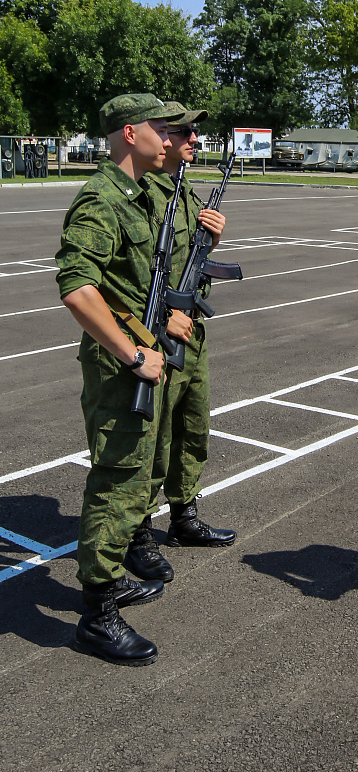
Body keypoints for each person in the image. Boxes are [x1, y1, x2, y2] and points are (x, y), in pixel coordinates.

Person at [56, 93, 186, 665]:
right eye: (162, 128)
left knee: (134, 477)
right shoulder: (102, 199)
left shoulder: (137, 195)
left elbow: (132, 287)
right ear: (131, 134)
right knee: (116, 479)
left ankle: (109, 581)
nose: (171, 137)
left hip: (145, 351)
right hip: (120, 367)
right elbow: (77, 288)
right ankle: (97, 613)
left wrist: (161, 326)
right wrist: (134, 355)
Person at [125, 105, 236, 587]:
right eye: (185, 131)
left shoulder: (186, 192)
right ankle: (139, 530)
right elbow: (136, 273)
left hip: (192, 329)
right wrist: (167, 315)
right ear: (162, 138)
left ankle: (184, 512)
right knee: (155, 434)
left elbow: (193, 259)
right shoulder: (147, 194)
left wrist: (214, 236)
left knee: (193, 425)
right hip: (158, 331)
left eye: (195, 131)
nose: (194, 137)